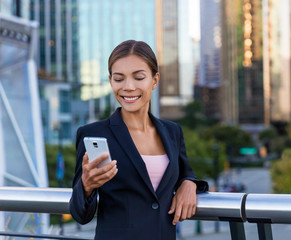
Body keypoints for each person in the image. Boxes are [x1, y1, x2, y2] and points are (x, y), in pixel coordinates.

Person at [69, 40, 208, 240]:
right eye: (119, 79)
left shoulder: (172, 131)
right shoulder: (94, 134)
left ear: (155, 80)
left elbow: (185, 173)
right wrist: (86, 186)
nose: (128, 87)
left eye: (139, 77)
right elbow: (80, 214)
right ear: (111, 81)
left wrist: (189, 184)